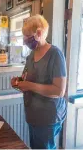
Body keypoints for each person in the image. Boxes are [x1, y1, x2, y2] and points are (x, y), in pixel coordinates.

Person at [11, 14, 67, 149]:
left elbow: (59, 91)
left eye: (27, 37)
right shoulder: (32, 54)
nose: (25, 41)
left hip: (47, 117)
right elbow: (27, 78)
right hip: (32, 116)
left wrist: (29, 85)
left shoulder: (55, 54)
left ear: (39, 33)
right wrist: (18, 82)